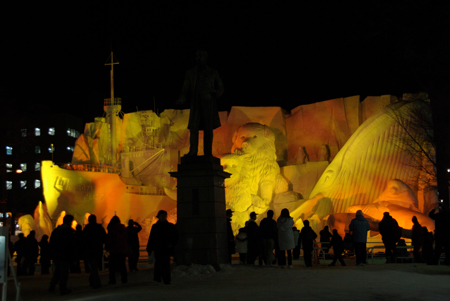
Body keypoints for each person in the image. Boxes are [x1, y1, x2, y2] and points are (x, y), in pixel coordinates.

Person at [177, 49, 224, 156]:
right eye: (197, 56)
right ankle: (193, 151)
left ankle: (208, 153)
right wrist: (182, 98)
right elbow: (185, 88)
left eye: (201, 56)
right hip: (196, 103)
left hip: (208, 103)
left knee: (208, 128)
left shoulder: (213, 72)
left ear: (206, 57)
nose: (199, 58)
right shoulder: (190, 73)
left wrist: (215, 93)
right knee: (194, 127)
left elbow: (221, 87)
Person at [147, 210, 178, 285]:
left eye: (164, 215)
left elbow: (175, 237)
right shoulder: (167, 226)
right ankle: (161, 278)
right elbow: (152, 238)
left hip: (164, 248)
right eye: (162, 216)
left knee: (164, 263)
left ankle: (163, 278)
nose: (163, 217)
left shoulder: (161, 226)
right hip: (160, 248)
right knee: (161, 263)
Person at [49, 214, 75, 295]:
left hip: (57, 255)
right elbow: (71, 245)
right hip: (65, 255)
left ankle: (52, 286)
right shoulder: (69, 232)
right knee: (63, 272)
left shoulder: (56, 231)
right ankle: (63, 288)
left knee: (57, 271)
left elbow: (51, 243)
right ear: (69, 222)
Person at [83, 214, 106, 289]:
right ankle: (93, 281)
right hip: (98, 250)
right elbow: (104, 238)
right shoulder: (99, 228)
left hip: (89, 251)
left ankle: (95, 282)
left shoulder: (87, 228)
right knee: (94, 267)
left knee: (93, 267)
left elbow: (83, 240)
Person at [106, 216, 128, 284]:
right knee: (122, 265)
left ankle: (112, 280)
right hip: (122, 250)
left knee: (112, 266)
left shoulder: (112, 229)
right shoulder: (123, 229)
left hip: (114, 250)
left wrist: (107, 247)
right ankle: (124, 279)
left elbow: (110, 239)